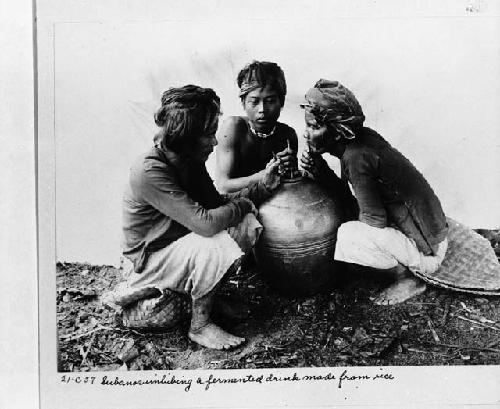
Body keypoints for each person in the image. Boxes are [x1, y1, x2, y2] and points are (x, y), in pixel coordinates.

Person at [103, 85, 281, 350]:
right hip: (149, 260)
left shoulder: (188, 160)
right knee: (216, 244)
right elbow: (206, 224)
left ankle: (209, 297)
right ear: (186, 137)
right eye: (209, 135)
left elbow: (217, 204)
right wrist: (244, 204)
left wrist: (261, 188)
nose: (216, 142)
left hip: (176, 245)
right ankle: (200, 326)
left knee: (244, 224)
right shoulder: (149, 170)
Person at [300, 79, 449, 305]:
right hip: (435, 236)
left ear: (338, 131)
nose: (306, 134)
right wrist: (324, 175)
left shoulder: (356, 157)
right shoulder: (362, 141)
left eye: (313, 127)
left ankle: (409, 278)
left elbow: (374, 219)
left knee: (348, 235)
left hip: (428, 255)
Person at [216, 60, 299, 193]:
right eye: (254, 102)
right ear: (243, 103)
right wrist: (263, 176)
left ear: (281, 102)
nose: (262, 109)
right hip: (237, 204)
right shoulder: (233, 128)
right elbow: (223, 186)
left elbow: (288, 186)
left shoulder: (287, 135)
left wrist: (291, 171)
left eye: (270, 101)